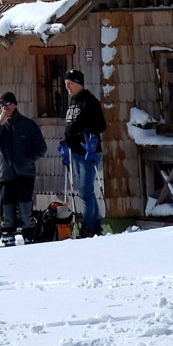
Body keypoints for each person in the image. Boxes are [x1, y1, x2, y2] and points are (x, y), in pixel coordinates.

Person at [0, 91, 46, 246]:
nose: (4, 108)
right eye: (1, 106)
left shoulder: (28, 124)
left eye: (7, 104)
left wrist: (28, 159)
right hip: (5, 173)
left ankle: (29, 234)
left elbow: (41, 147)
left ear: (15, 105)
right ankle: (8, 235)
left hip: (25, 173)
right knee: (7, 209)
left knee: (25, 208)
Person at [60, 69, 107, 238]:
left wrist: (90, 137)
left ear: (79, 83)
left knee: (86, 190)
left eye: (70, 84)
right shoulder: (73, 102)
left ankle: (88, 226)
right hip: (75, 151)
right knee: (83, 190)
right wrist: (66, 143)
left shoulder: (89, 101)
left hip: (88, 151)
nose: (68, 88)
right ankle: (94, 223)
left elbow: (100, 125)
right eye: (66, 85)